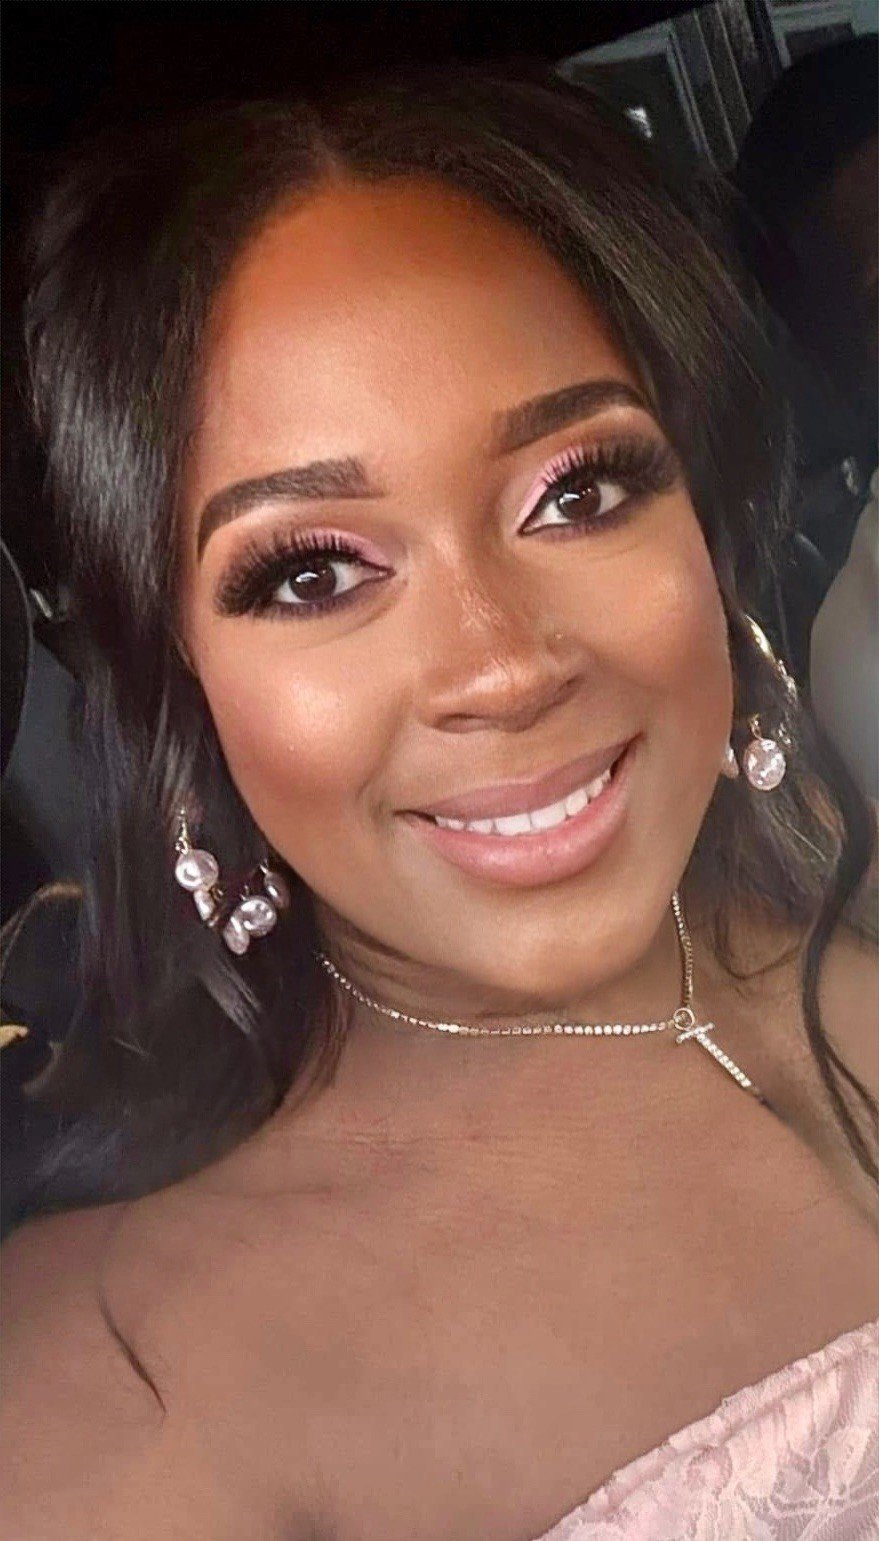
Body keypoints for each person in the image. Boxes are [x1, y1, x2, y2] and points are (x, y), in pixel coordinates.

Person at [2, 65, 877, 1540]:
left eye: (579, 490)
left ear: (716, 533)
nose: (503, 666)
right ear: (184, 686)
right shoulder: (114, 1386)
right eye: (313, 571)